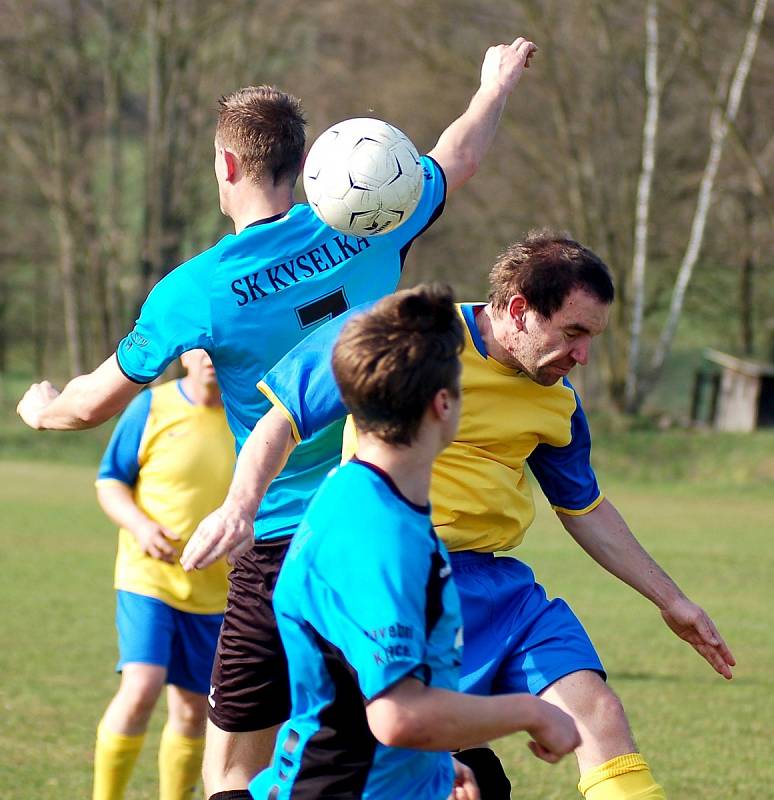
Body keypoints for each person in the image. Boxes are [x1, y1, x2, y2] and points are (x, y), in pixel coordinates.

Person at [17, 36, 538, 800]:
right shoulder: (368, 221)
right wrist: (493, 87)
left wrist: (39, 409)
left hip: (275, 538)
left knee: (233, 770)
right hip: (381, 521)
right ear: (303, 165)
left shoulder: (191, 292)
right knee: (407, 726)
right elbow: (456, 157)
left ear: (226, 166)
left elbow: (89, 405)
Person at [187, 231, 736, 800]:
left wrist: (670, 599)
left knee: (596, 712)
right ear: (519, 310)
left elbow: (585, 506)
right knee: (369, 763)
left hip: (498, 590)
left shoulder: (558, 400)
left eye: (592, 338)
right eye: (572, 333)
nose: (582, 356)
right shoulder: (411, 342)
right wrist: (240, 507)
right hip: (400, 579)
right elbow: (286, 415)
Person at [248, 284, 580, 800]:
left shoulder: (382, 503)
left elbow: (377, 679)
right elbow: (398, 716)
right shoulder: (374, 535)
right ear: (444, 405)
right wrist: (531, 712)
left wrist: (434, 769)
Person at [93, 349, 235, 800]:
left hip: (216, 591)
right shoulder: (151, 406)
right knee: (142, 686)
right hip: (147, 577)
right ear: (185, 355)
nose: (212, 356)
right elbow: (110, 479)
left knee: (194, 713)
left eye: (221, 347)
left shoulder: (249, 419)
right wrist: (140, 525)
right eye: (202, 347)